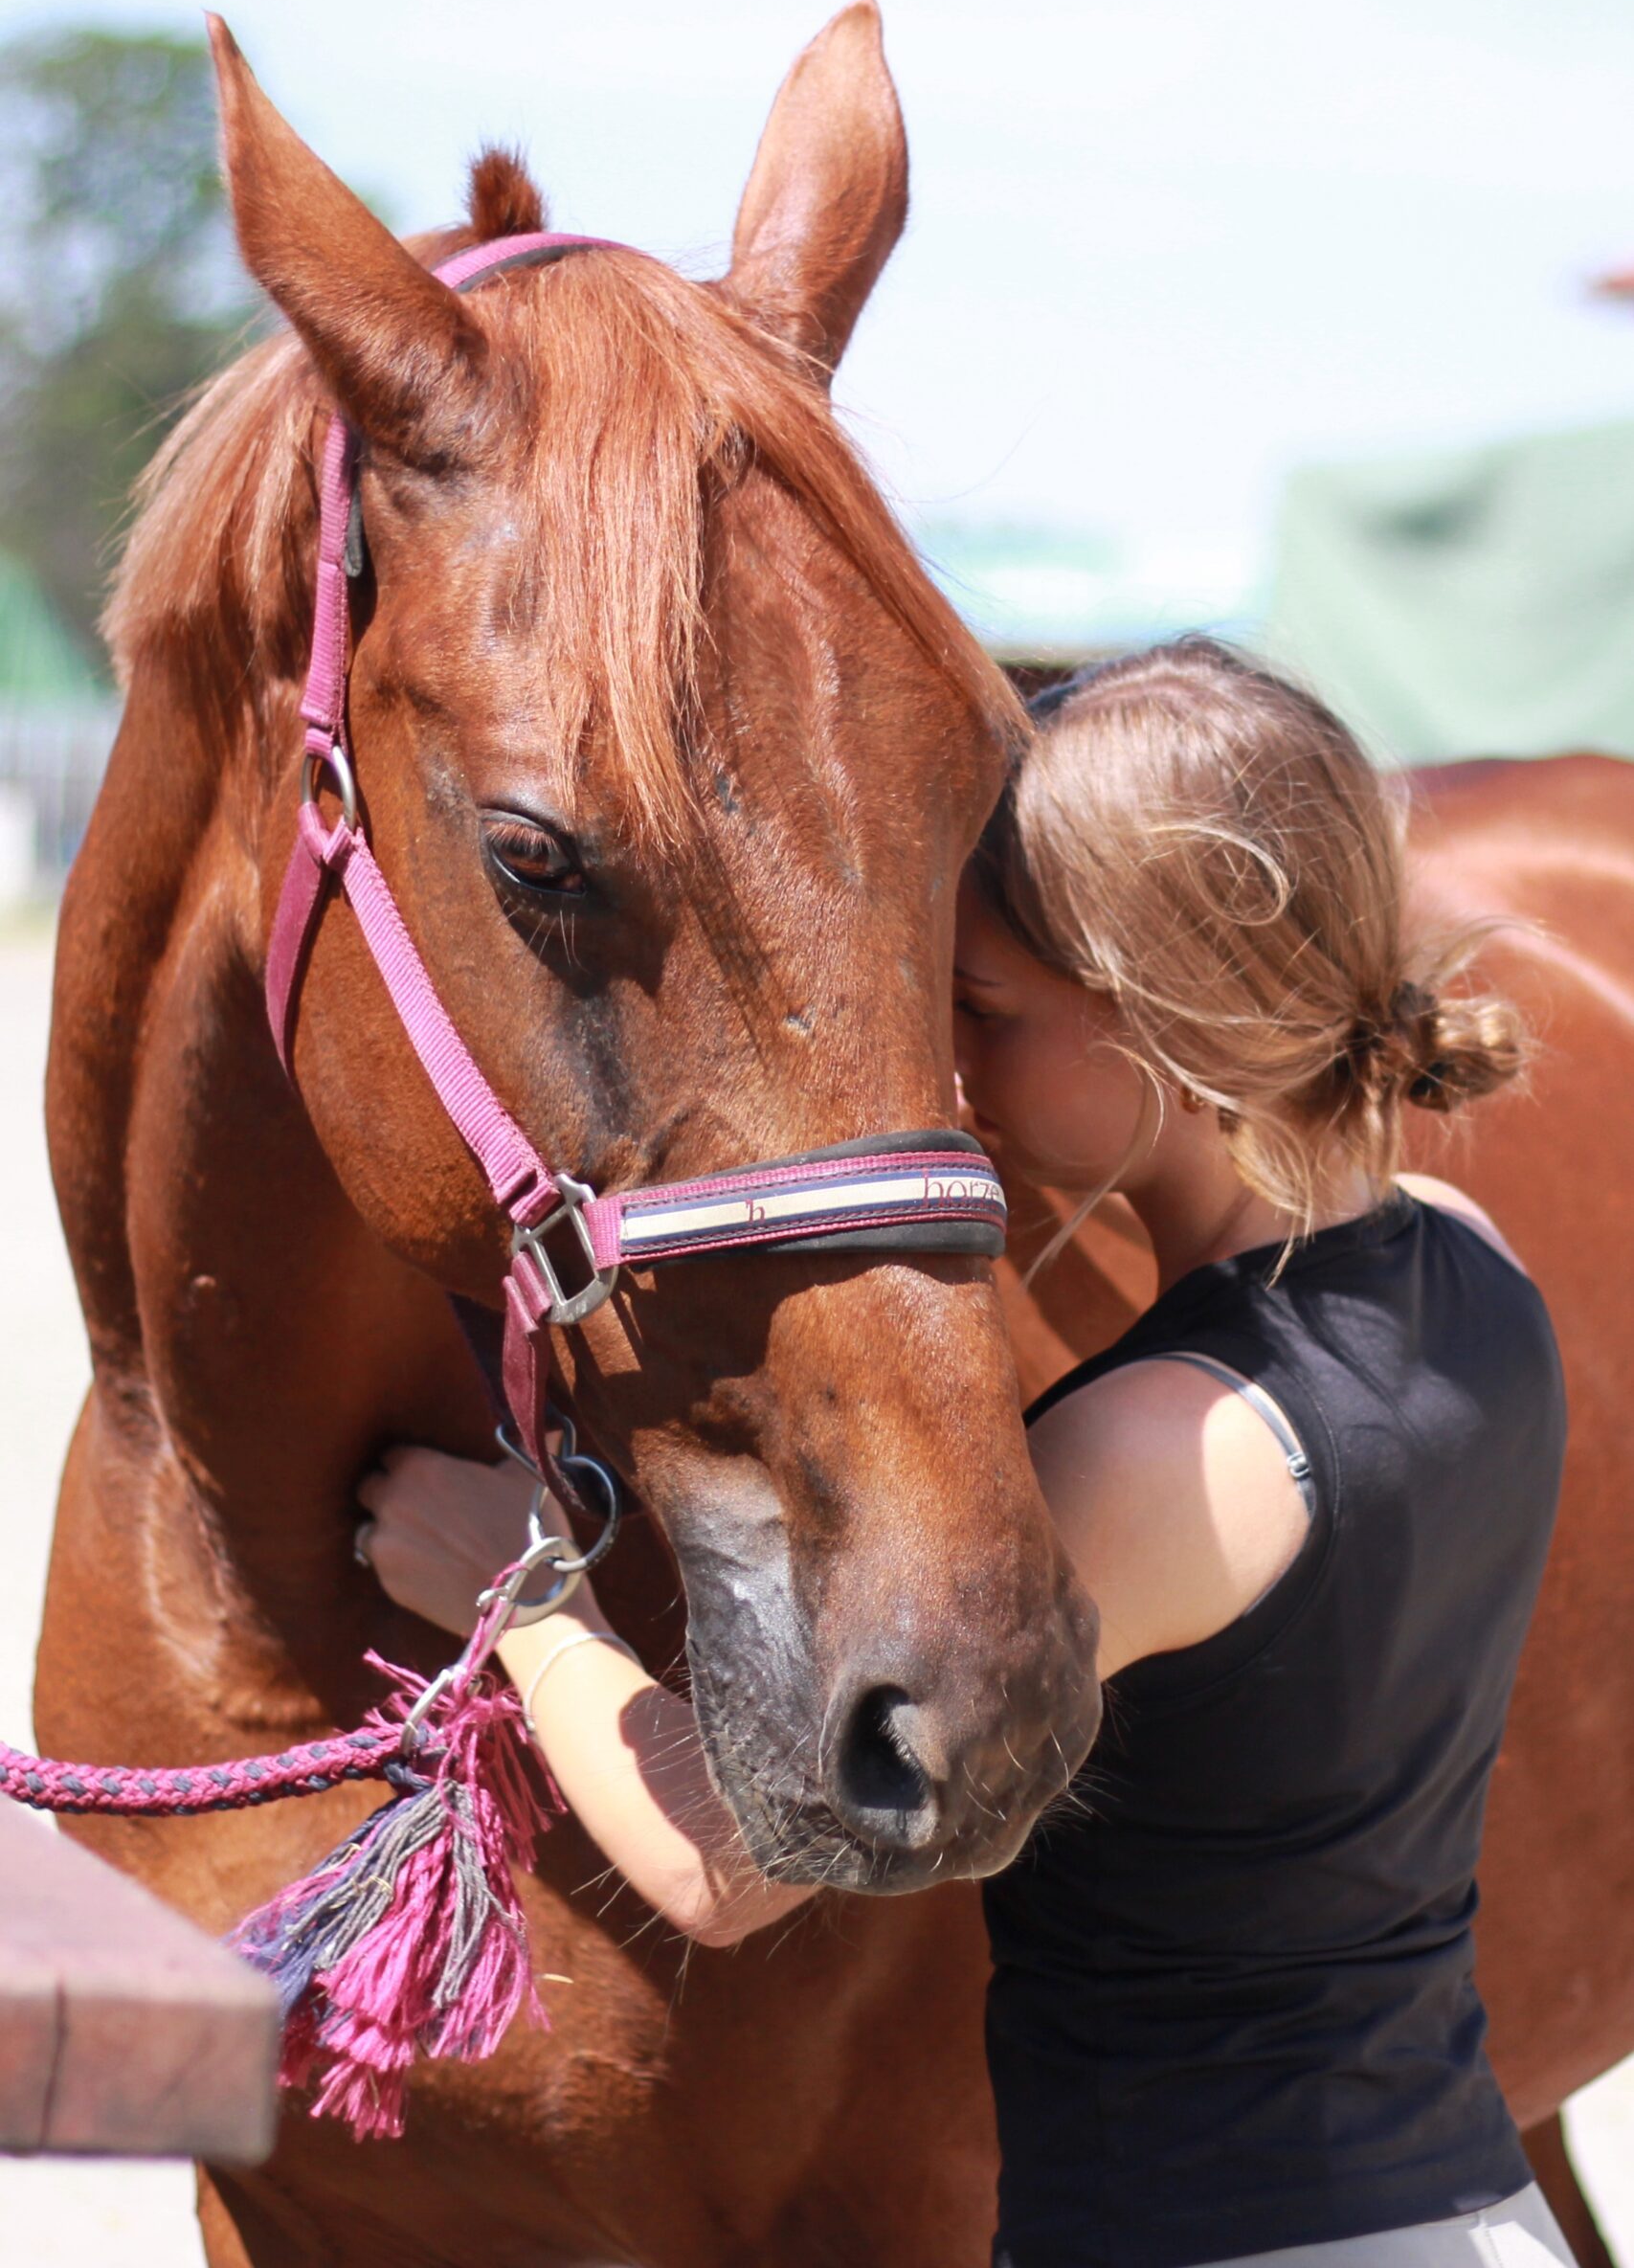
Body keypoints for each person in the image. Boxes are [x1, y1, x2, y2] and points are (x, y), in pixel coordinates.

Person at [358, 636, 1573, 2267]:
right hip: (1458, 2203)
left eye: (985, 1007)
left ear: (1162, 1025)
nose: (949, 1067)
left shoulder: (1163, 1450)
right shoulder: (1473, 1260)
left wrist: (525, 1600)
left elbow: (730, 1865)